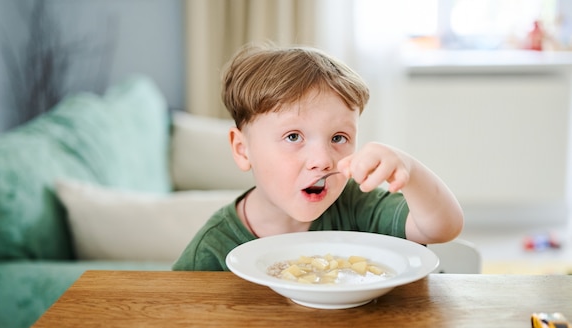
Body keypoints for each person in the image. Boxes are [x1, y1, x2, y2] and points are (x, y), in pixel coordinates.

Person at [172, 43, 464, 271]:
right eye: (293, 137)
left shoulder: (356, 205)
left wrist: (409, 170)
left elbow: (442, 227)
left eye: (338, 138)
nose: (322, 160)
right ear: (241, 149)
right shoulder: (212, 249)